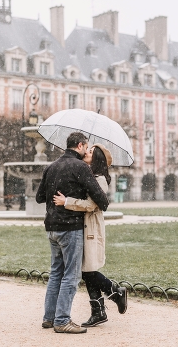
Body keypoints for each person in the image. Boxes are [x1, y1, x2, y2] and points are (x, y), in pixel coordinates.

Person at [36, 131, 109, 334]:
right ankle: (62, 320)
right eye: (86, 146)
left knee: (55, 274)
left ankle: (49, 318)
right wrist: (72, 198)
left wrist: (59, 193)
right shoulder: (80, 168)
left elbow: (40, 197)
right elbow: (102, 202)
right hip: (70, 228)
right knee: (71, 276)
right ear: (79, 146)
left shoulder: (51, 167)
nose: (87, 150)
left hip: (51, 227)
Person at [52, 144, 128, 327]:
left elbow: (91, 205)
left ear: (97, 159)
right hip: (82, 227)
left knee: (87, 270)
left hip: (91, 228)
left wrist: (66, 202)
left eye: (91, 152)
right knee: (87, 270)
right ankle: (100, 309)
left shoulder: (100, 179)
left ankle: (114, 293)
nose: (86, 152)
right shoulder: (87, 174)